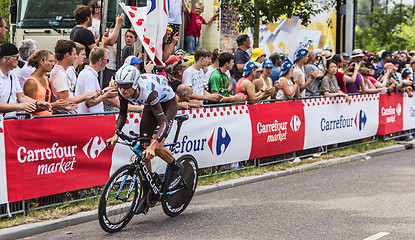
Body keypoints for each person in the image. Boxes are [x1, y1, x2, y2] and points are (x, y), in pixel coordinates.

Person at [106, 65, 183, 214]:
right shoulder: (123, 92)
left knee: (157, 146)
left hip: (167, 104)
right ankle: (147, 194)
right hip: (151, 105)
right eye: (119, 85)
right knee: (143, 148)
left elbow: (163, 123)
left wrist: (154, 146)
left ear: (134, 84)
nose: (122, 90)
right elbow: (122, 115)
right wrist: (116, 134)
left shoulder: (149, 92)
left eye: (126, 86)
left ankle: (175, 166)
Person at [0, 43, 51, 117]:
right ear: (8, 59)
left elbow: (21, 97)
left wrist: (37, 102)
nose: (19, 60)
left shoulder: (12, 75)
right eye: (17, 57)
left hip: (9, 122)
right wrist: (20, 106)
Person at [50, 40, 99, 115]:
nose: (76, 57)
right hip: (65, 116)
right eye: (74, 54)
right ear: (67, 56)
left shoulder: (61, 72)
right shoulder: (60, 74)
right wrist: (86, 96)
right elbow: (64, 101)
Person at [23, 49, 75, 116]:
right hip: (35, 121)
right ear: (41, 62)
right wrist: (53, 105)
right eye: (50, 61)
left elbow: (48, 102)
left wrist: (60, 106)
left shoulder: (46, 79)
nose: (53, 64)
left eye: (53, 61)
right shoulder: (31, 82)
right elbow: (30, 107)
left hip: (47, 118)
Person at [75, 47, 118, 113]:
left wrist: (103, 92)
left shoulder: (86, 73)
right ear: (100, 61)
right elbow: (89, 102)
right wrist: (105, 96)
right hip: (90, 119)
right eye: (107, 60)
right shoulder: (89, 76)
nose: (107, 63)